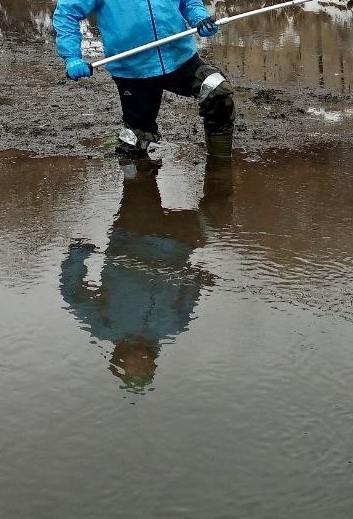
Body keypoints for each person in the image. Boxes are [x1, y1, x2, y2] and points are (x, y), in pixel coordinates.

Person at [53, 0, 235, 157]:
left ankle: (220, 172)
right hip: (133, 70)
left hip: (179, 59)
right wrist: (72, 56)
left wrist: (200, 19)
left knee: (217, 90)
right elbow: (66, 12)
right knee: (133, 147)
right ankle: (136, 189)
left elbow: (190, 0)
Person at [59, 153, 233, 391]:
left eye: (134, 371)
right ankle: (220, 162)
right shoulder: (175, 326)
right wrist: (199, 279)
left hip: (133, 234)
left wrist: (77, 257)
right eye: (146, 371)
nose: (141, 366)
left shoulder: (105, 327)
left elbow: (73, 295)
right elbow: (191, 289)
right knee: (221, 217)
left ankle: (136, 146)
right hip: (179, 242)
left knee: (138, 177)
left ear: (120, 363)